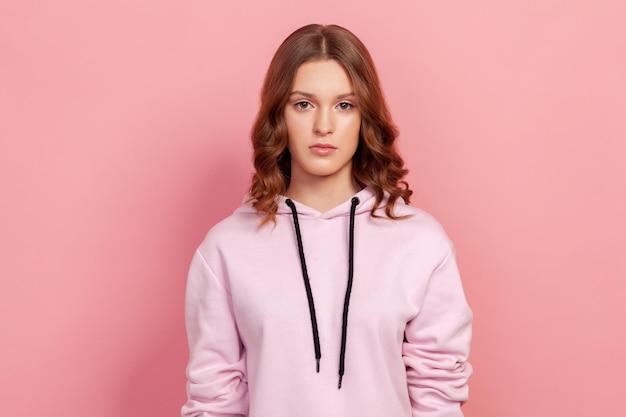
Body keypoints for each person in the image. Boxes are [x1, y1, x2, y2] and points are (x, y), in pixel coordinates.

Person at [182, 24, 472, 417]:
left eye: (344, 105)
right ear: (278, 114)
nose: (324, 126)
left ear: (364, 116)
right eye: (303, 104)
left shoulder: (420, 243)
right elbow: (214, 401)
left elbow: (438, 394)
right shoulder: (226, 248)